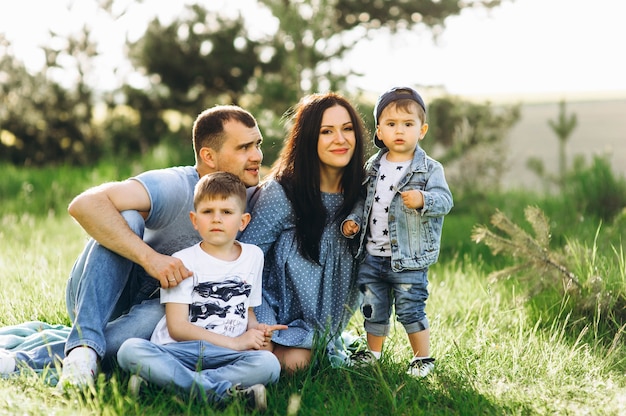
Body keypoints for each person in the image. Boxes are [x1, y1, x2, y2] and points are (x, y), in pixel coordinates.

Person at [0, 105, 264, 389]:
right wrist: (150, 259)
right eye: (244, 147)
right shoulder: (175, 186)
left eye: (258, 144)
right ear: (208, 156)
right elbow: (84, 205)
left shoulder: (250, 196)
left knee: (170, 313)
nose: (257, 156)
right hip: (106, 292)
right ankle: (75, 347)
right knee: (125, 216)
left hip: (164, 306)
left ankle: (79, 351)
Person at [117, 172, 286, 411]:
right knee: (129, 350)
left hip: (224, 355)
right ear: (195, 220)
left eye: (226, 212)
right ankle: (222, 393)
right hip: (179, 350)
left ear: (243, 221)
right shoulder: (182, 261)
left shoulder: (253, 257)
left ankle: (168, 384)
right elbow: (178, 328)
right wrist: (236, 344)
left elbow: (245, 308)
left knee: (269, 364)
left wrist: (255, 331)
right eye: (208, 212)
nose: (216, 219)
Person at [238, 92, 366, 372]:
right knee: (296, 364)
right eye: (326, 131)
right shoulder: (283, 193)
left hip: (324, 318)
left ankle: (325, 342)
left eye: (347, 129)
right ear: (308, 139)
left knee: (304, 361)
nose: (340, 139)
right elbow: (243, 259)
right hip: (269, 310)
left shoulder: (362, 195)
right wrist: (257, 321)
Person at [342, 86, 453, 377]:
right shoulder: (372, 166)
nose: (399, 131)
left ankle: (422, 358)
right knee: (373, 308)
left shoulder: (429, 169)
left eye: (408, 124)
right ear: (379, 131)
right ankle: (373, 354)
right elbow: (362, 202)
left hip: (408, 257)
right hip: (372, 255)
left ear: (422, 129)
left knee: (410, 308)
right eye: (391, 124)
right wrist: (353, 220)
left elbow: (445, 201)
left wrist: (423, 200)